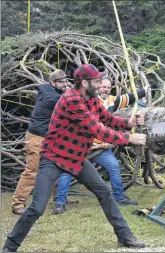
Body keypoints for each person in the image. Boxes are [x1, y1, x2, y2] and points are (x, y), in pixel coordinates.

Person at [2, 64, 147, 252]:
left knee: (104, 192)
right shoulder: (71, 99)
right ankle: (9, 247)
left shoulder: (92, 99)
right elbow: (96, 129)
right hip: (53, 157)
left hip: (76, 158)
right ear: (85, 83)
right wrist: (129, 138)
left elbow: (107, 119)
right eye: (97, 81)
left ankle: (125, 237)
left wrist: (128, 122)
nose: (101, 83)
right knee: (37, 207)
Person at [53, 76, 148, 214]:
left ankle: (119, 197)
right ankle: (60, 202)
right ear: (96, 86)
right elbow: (96, 128)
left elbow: (126, 99)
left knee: (114, 166)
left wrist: (143, 91)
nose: (105, 89)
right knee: (68, 171)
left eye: (108, 87)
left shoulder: (111, 101)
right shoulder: (84, 101)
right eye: (103, 86)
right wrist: (129, 138)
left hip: (101, 148)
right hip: (81, 147)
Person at [10, 70, 70, 215]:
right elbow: (67, 101)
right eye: (61, 82)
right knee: (32, 171)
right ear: (53, 83)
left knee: (56, 167)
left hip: (49, 138)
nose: (65, 84)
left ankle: (59, 198)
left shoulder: (50, 90)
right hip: (37, 138)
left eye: (66, 81)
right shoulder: (51, 97)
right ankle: (17, 204)